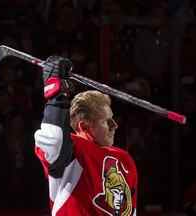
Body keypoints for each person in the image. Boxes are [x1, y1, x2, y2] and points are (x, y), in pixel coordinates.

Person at [34, 56, 138, 216]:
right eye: (106, 121)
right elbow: (52, 139)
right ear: (84, 126)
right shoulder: (74, 151)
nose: (115, 126)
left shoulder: (124, 160)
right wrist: (55, 95)